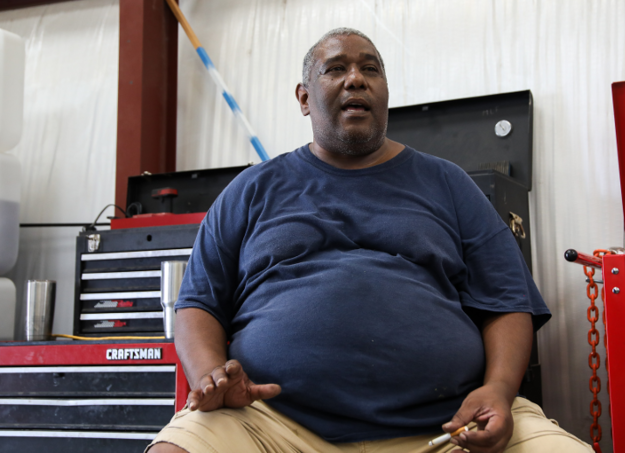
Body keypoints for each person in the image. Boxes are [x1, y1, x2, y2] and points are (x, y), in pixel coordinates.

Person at [147, 28, 593, 453]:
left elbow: (507, 301)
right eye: (335, 68)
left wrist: (497, 389)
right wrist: (210, 375)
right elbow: (198, 304)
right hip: (271, 423)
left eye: (370, 69)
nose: (355, 78)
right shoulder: (251, 189)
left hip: (449, 426)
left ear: (384, 93)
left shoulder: (448, 183)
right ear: (304, 98)